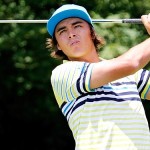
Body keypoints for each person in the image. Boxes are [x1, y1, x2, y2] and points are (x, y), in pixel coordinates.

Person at [46, 4, 150, 150]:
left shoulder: (127, 74)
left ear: (92, 33)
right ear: (59, 46)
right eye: (62, 31)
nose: (71, 34)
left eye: (77, 26)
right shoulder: (63, 73)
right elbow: (131, 63)